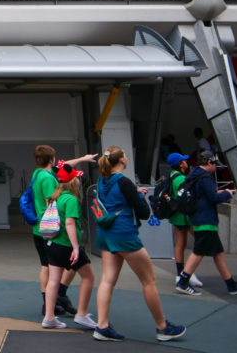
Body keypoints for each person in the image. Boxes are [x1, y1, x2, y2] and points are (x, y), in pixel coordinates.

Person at [93, 146, 185, 343]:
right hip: (125, 235)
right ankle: (162, 327)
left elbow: (116, 199)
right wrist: (139, 196)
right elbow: (143, 212)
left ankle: (102, 326)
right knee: (149, 281)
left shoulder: (102, 181)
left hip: (106, 234)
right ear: (122, 161)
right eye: (125, 155)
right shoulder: (125, 182)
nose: (127, 157)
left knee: (107, 280)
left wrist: (133, 194)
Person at [29, 145, 97, 317]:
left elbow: (64, 166)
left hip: (40, 228)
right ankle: (50, 302)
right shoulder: (48, 179)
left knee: (51, 267)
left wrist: (81, 159)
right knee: (51, 266)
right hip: (51, 229)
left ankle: (54, 300)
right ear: (51, 160)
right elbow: (50, 203)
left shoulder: (38, 173)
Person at [174, 150, 237, 296]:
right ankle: (183, 282)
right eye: (215, 164)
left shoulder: (193, 176)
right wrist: (227, 193)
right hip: (206, 220)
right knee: (198, 252)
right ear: (209, 162)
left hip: (198, 218)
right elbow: (213, 197)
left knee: (218, 252)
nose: (216, 167)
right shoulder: (205, 178)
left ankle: (231, 284)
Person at [40, 163, 97, 331]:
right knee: (88, 277)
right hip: (66, 245)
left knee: (53, 281)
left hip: (52, 244)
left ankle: (49, 317)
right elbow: (70, 223)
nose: (79, 180)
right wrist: (76, 247)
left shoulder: (55, 197)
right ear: (72, 181)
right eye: (77, 177)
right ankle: (82, 314)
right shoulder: (71, 199)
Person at [165, 152, 202, 288]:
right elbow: (187, 197)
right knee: (200, 238)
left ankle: (180, 273)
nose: (187, 162)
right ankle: (188, 272)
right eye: (184, 160)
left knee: (180, 243)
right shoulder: (180, 179)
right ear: (180, 164)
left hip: (176, 215)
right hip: (184, 215)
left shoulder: (172, 176)